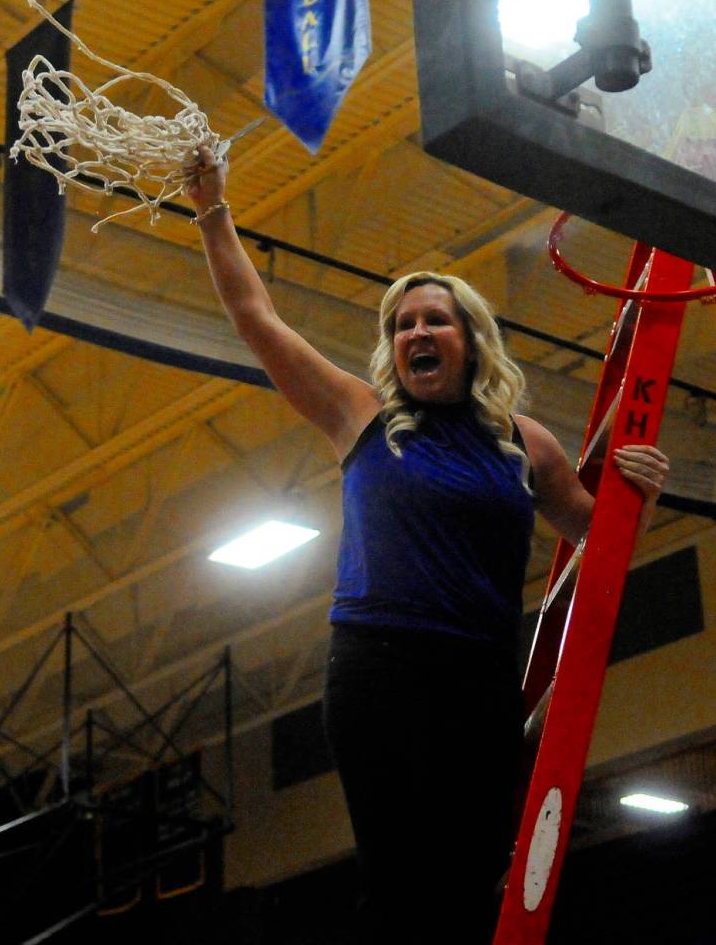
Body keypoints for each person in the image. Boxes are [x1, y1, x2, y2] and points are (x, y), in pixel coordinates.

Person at [185, 145, 668, 943]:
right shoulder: (361, 417)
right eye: (403, 324)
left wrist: (642, 491)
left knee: (472, 873)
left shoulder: (524, 443)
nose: (416, 331)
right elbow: (256, 317)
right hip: (379, 668)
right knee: (401, 877)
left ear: (469, 340)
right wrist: (212, 210)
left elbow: (600, 537)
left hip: (478, 673)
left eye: (433, 319)